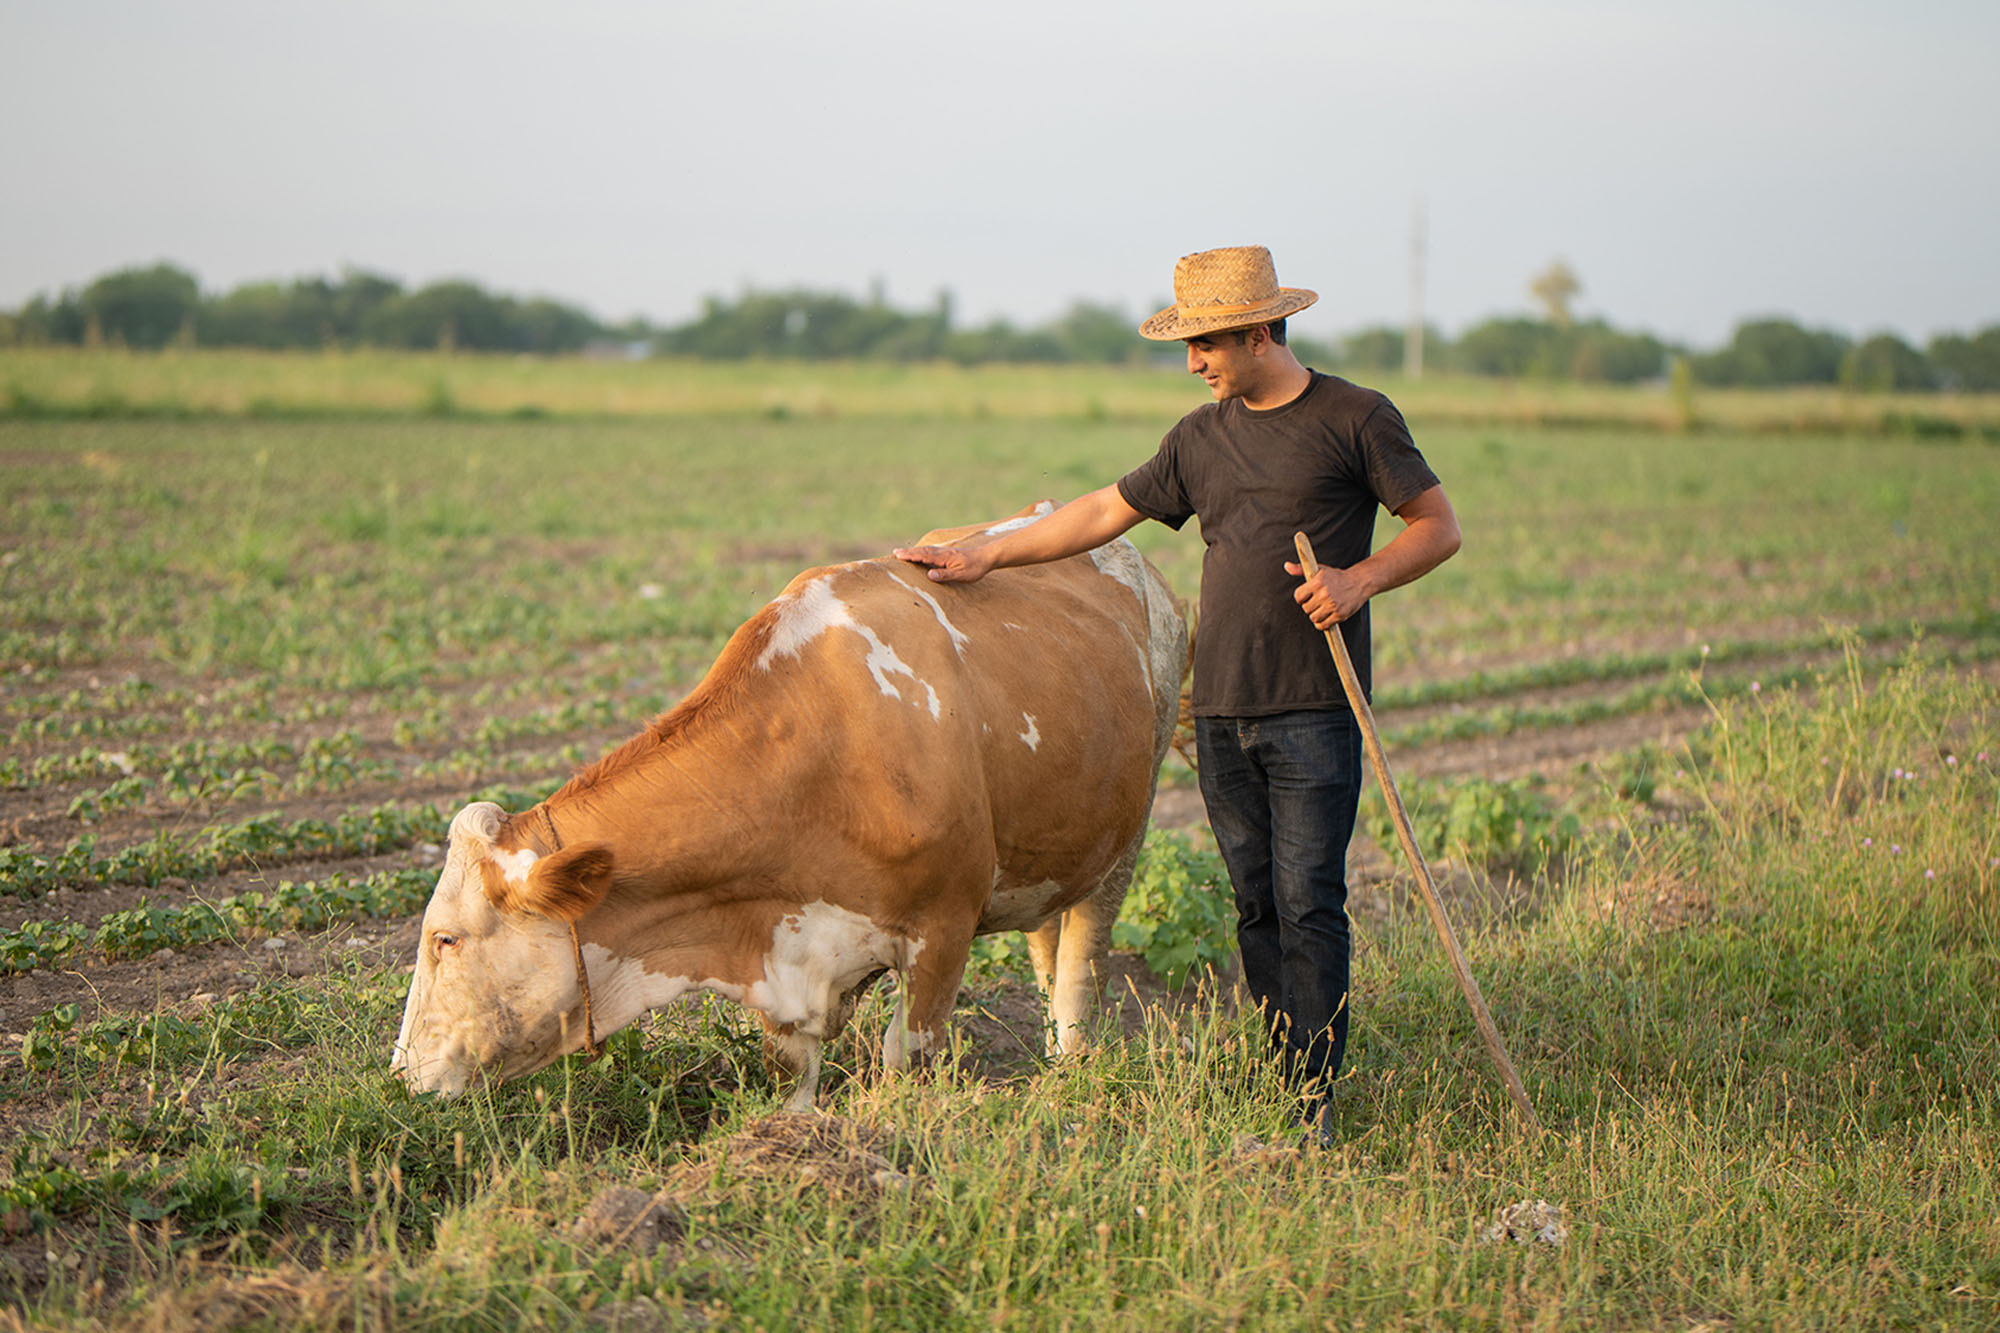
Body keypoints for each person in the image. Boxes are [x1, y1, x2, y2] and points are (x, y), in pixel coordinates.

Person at [895, 245, 1459, 1137]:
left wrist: (1358, 581)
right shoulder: (1201, 438)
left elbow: (1437, 526)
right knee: (1257, 903)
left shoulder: (1357, 418)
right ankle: (1284, 1073)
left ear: (1263, 331)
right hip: (1226, 705)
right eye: (1189, 345)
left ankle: (1312, 1101)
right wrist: (984, 552)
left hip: (1315, 705)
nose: (1194, 363)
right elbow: (1098, 513)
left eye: (1207, 345)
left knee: (1310, 898)